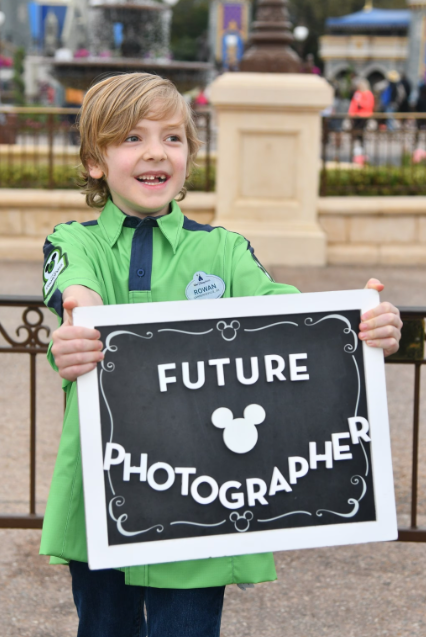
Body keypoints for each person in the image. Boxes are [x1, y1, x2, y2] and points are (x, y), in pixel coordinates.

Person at [40, 72, 402, 637]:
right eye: (132, 138)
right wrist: (76, 327)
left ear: (188, 156)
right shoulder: (72, 241)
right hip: (104, 497)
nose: (156, 150)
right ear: (94, 160)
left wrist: (361, 325)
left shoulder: (226, 250)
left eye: (173, 138)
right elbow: (75, 292)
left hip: (203, 499)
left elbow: (288, 314)